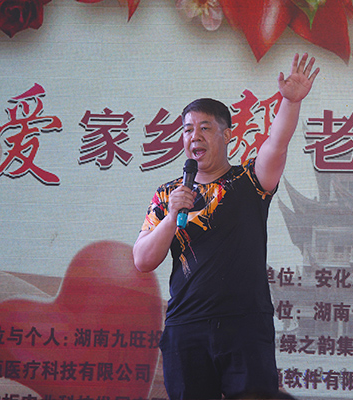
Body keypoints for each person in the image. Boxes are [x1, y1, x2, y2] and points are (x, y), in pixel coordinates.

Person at [132, 53, 319, 399]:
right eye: (188, 130)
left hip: (244, 324)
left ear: (227, 134)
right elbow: (142, 260)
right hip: (186, 327)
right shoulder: (168, 194)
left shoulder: (249, 180)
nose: (195, 136)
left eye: (205, 128)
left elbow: (276, 145)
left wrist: (291, 103)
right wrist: (171, 217)